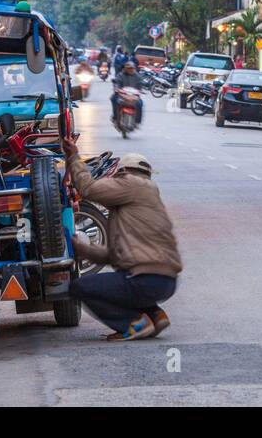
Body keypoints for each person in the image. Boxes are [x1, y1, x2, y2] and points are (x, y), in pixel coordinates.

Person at [64, 133, 181, 340]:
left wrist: (74, 157)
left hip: (145, 279)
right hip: (167, 282)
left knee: (79, 287)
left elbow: (89, 189)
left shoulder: (131, 183)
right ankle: (155, 314)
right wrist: (84, 249)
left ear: (123, 172)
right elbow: (116, 256)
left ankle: (132, 323)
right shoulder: (147, 200)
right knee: (120, 283)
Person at [112, 60, 145, 126]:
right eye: (128, 68)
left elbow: (141, 83)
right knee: (114, 99)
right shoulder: (121, 75)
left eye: (132, 68)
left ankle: (137, 121)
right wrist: (116, 88)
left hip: (133, 95)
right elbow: (116, 82)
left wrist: (141, 89)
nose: (130, 70)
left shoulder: (137, 76)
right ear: (125, 69)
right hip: (122, 94)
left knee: (140, 103)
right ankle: (115, 117)